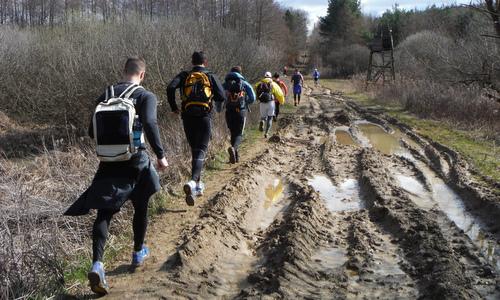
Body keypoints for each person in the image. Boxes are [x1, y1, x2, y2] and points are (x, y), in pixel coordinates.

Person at [64, 57, 168, 295]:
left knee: (104, 211)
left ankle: (97, 264)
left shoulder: (106, 94)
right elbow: (150, 123)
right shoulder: (145, 96)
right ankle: (138, 252)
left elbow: (92, 131)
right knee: (141, 205)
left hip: (108, 161)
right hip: (135, 160)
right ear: (142, 75)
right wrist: (161, 155)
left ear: (123, 72)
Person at [167, 51, 226, 206]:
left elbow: (170, 88)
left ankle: (197, 188)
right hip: (205, 116)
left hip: (187, 116)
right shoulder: (210, 75)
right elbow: (221, 96)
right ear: (205, 62)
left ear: (192, 62)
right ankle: (193, 182)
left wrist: (174, 107)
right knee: (201, 150)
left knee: (195, 150)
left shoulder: (185, 75)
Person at [222, 66, 256, 164]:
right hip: (240, 111)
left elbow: (219, 95)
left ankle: (235, 157)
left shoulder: (225, 84)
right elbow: (253, 98)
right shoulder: (244, 83)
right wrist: (246, 102)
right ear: (240, 73)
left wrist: (220, 107)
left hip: (229, 111)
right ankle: (234, 149)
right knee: (239, 134)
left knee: (233, 132)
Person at [254, 71, 285, 138]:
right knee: (270, 118)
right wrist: (282, 101)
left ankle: (262, 121)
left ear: (264, 76)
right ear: (270, 77)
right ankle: (266, 133)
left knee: (263, 117)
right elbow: (280, 94)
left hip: (262, 103)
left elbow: (255, 88)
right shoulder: (273, 84)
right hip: (271, 102)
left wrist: (257, 98)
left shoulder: (259, 83)